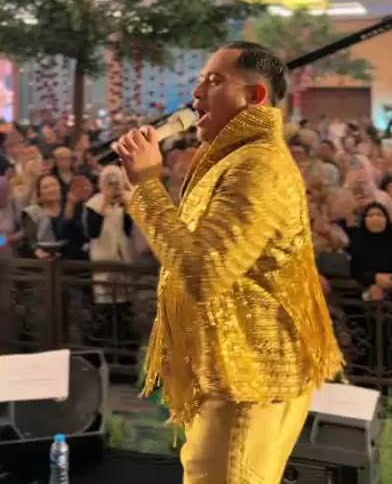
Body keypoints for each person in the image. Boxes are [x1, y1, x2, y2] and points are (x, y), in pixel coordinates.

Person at [116, 41, 342, 484]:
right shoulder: (234, 158)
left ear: (253, 96)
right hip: (232, 370)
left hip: (250, 378)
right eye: (200, 80)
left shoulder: (256, 167)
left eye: (215, 81)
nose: (196, 92)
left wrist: (146, 185)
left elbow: (204, 274)